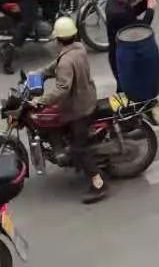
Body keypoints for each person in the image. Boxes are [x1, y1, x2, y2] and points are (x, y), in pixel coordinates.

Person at [38, 17, 108, 203]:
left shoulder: (66, 62)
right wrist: (39, 74)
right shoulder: (79, 49)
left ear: (59, 39)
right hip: (87, 98)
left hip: (79, 108)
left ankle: (99, 183)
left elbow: (62, 88)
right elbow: (56, 66)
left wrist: (41, 101)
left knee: (79, 148)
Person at [104, 0, 157, 91]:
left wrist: (144, 2)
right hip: (123, 56)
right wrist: (150, 10)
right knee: (127, 87)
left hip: (120, 52)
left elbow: (131, 13)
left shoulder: (114, 1)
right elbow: (142, 28)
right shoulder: (119, 13)